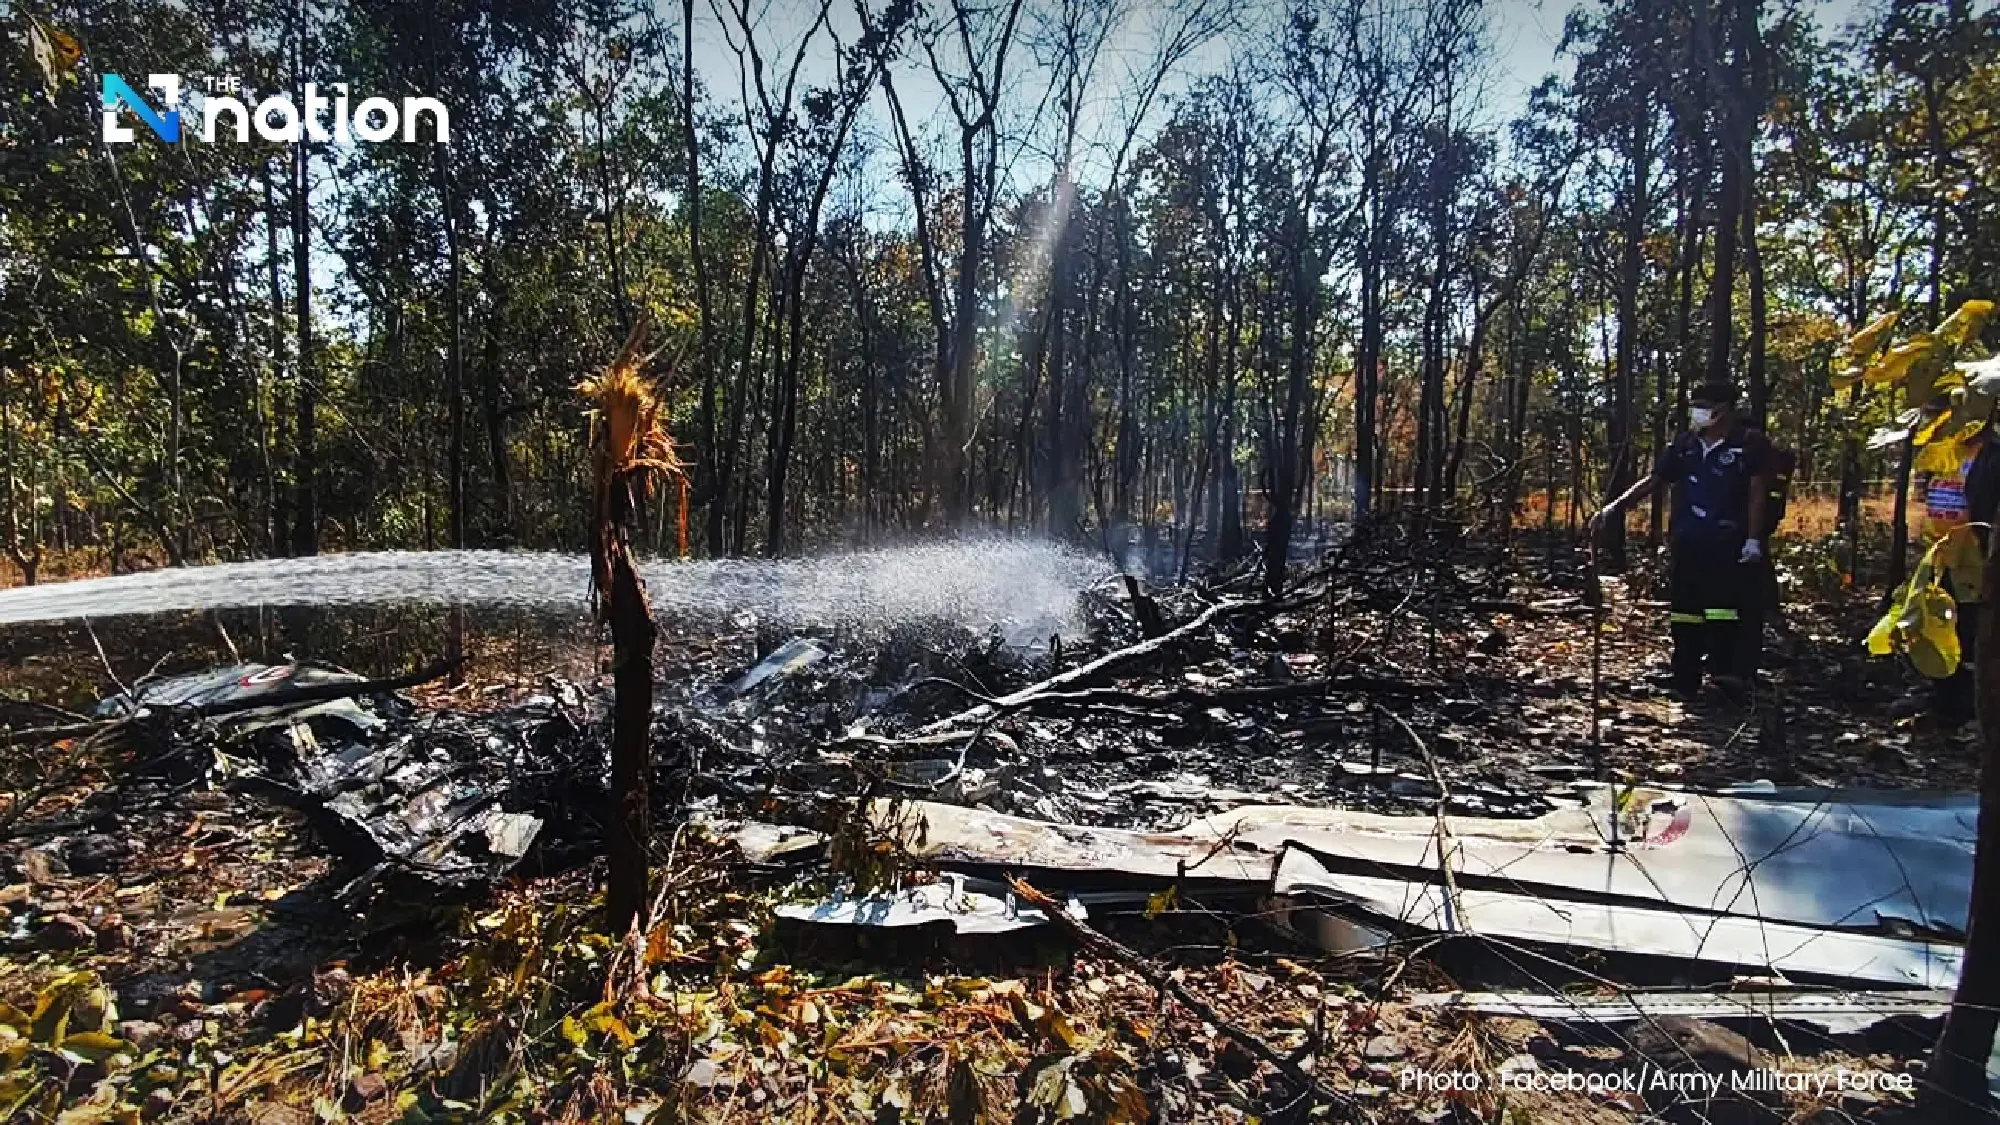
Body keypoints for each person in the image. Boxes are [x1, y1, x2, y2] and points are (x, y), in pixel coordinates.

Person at [1591, 383, 1775, 699]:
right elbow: (1654, 480)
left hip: (1729, 542)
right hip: (1689, 540)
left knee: (1724, 609)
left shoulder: (1749, 444)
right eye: (1695, 404)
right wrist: (1613, 508)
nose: (1698, 411)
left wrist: (1753, 540)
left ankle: (1725, 673)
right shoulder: (1687, 444)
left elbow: (1759, 494)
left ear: (1725, 408)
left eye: (1704, 405)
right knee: (1684, 610)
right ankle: (1684, 673)